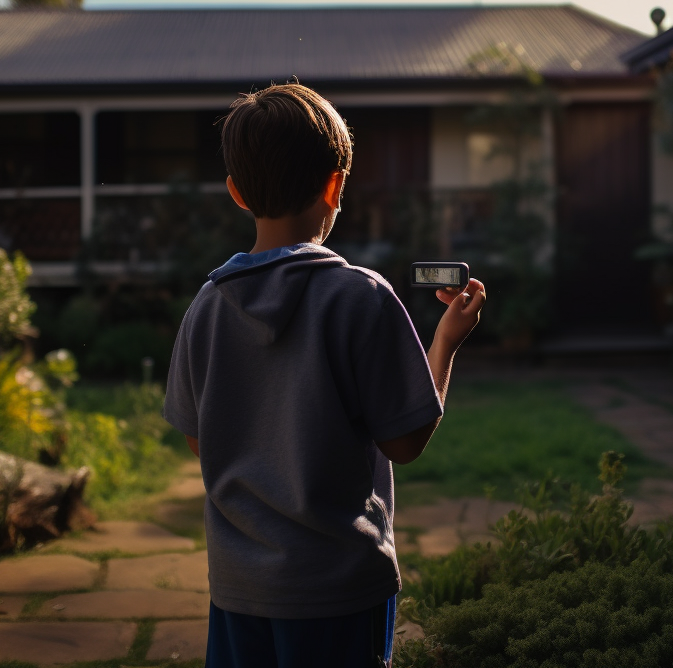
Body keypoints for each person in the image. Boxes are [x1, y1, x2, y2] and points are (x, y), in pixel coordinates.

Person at [163, 83, 486, 667]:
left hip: (238, 591)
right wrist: (445, 342)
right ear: (336, 184)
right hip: (337, 589)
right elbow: (405, 439)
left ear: (236, 192)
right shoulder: (360, 297)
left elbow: (197, 438)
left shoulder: (207, 305)